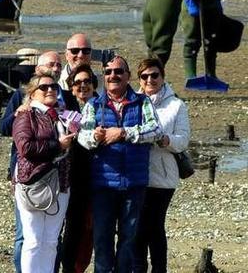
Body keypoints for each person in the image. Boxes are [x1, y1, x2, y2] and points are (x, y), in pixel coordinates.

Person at [77, 55, 164, 273]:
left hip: (133, 184)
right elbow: (82, 136)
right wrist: (95, 137)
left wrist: (124, 133)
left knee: (128, 241)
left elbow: (156, 131)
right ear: (104, 77)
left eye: (118, 71)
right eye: (108, 72)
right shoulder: (93, 105)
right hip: (103, 185)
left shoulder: (142, 102)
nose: (113, 75)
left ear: (128, 76)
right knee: (102, 240)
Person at [0, 50, 75, 273]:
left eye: (54, 87)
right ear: (32, 93)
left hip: (61, 182)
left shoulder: (63, 112)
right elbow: (25, 147)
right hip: (32, 181)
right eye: (44, 87)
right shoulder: (25, 114)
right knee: (31, 240)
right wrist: (57, 145)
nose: (50, 90)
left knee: (51, 240)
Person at [133, 57, 190, 273]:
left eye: (154, 75)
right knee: (137, 227)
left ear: (162, 76)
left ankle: (159, 269)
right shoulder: (133, 101)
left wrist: (166, 140)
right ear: (139, 79)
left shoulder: (176, 105)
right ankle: (138, 269)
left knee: (155, 226)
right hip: (137, 173)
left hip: (164, 177)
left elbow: (183, 139)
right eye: (144, 76)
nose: (150, 80)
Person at [59, 64, 99, 273]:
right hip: (70, 177)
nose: (83, 86)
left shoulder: (102, 107)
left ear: (94, 85)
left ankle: (79, 268)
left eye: (87, 82)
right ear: (71, 87)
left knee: (90, 229)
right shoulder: (65, 108)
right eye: (78, 83)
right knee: (70, 229)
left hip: (96, 176)